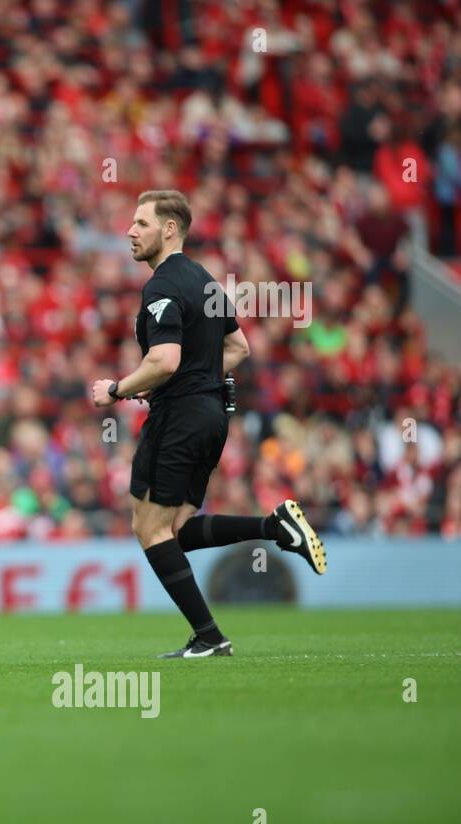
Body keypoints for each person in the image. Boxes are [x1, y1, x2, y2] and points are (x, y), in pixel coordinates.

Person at [91, 190, 326, 659]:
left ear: (169, 229)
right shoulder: (203, 281)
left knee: (149, 527)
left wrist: (117, 389)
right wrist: (190, 380)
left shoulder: (161, 285)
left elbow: (164, 358)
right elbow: (238, 348)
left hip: (179, 417)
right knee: (174, 529)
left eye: (141, 223)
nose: (130, 232)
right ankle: (276, 526)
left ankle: (210, 637)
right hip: (212, 416)